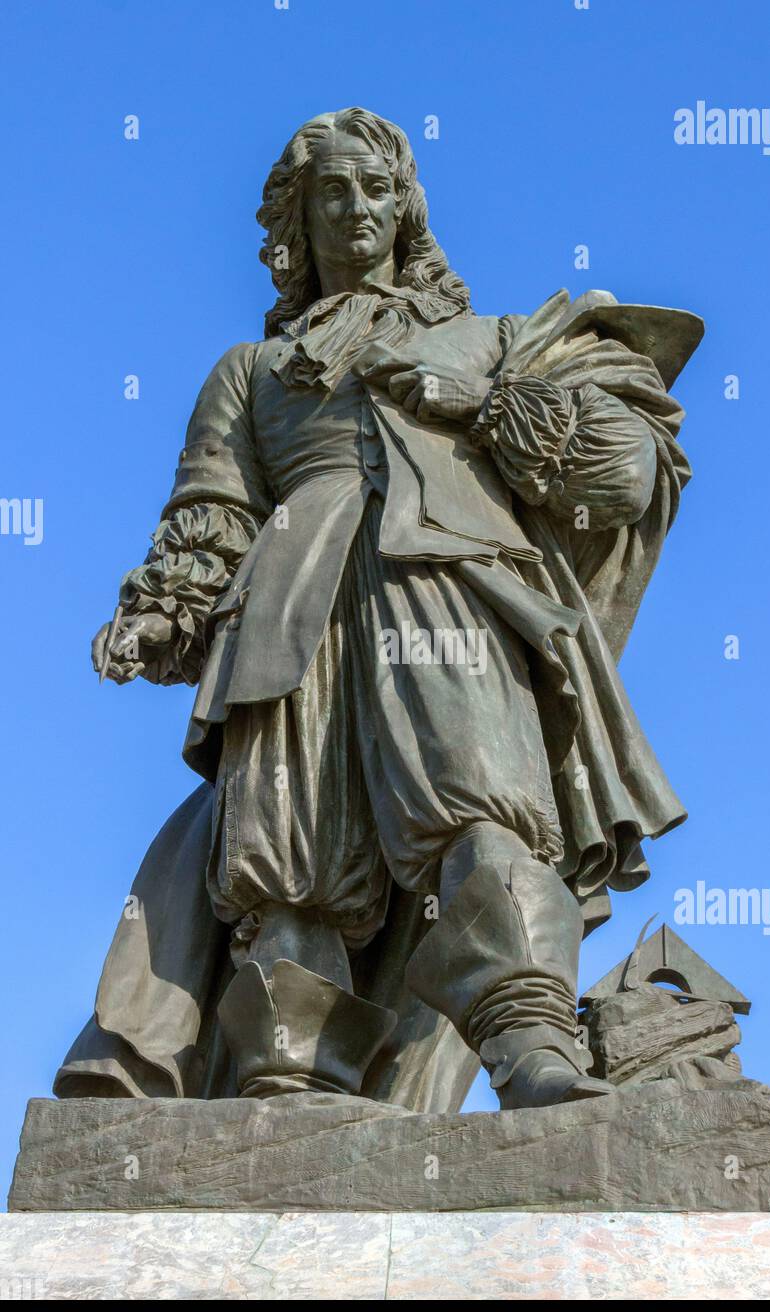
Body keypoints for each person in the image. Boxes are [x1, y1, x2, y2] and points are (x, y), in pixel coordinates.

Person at [87, 107, 701, 1110]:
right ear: (298, 218)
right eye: (333, 191)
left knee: (484, 809)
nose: (357, 209)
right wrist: (163, 612)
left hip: (444, 587)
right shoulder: (249, 374)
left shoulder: (494, 343)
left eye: (377, 189)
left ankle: (530, 1046)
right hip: (289, 614)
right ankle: (287, 1078)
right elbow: (211, 517)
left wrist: (484, 406)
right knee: (291, 861)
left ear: (407, 207)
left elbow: (626, 474)